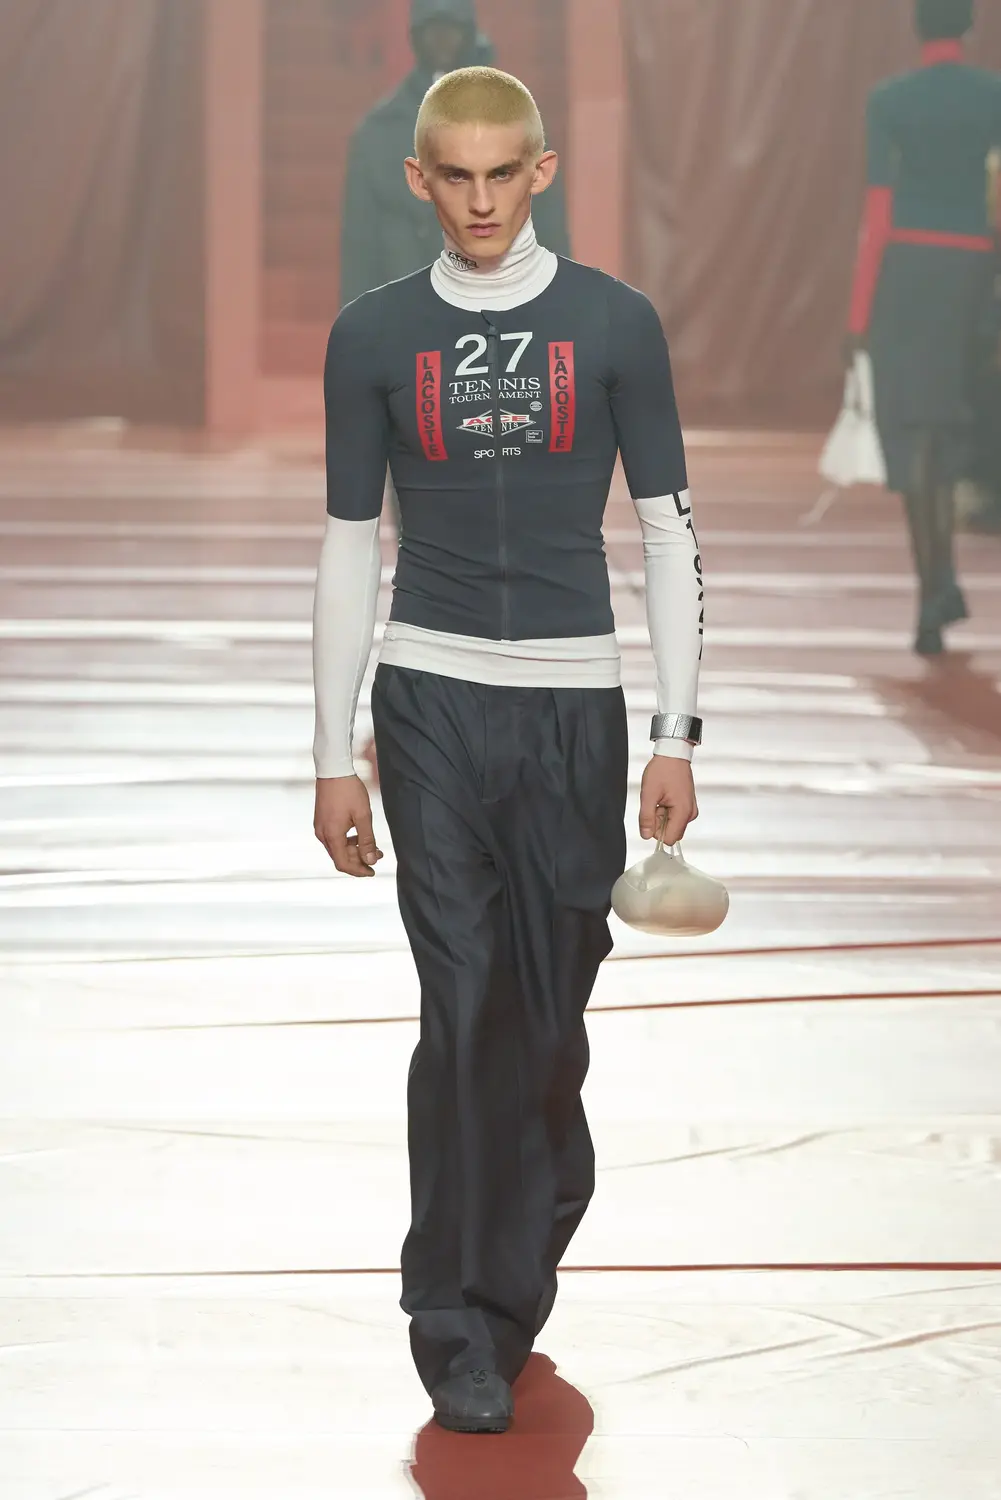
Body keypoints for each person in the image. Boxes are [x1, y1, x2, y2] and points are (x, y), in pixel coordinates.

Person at [312, 67, 703, 1433]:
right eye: (454, 177)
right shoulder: (371, 336)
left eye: (501, 174)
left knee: (544, 1022)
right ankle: (454, 1316)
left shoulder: (614, 324)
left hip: (571, 709)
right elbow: (349, 544)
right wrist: (331, 750)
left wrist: (673, 732)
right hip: (428, 697)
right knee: (463, 1000)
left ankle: (520, 1236)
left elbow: (666, 528)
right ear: (418, 180)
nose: (479, 202)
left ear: (539, 172)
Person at [846, 0, 1001, 655]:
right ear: (968, 26)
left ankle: (932, 591)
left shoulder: (890, 100)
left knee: (914, 435)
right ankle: (942, 584)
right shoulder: (992, 96)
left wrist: (858, 315)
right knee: (949, 429)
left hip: (906, 274)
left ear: (916, 27)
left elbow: (878, 211)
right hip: (972, 272)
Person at [340, 0, 571, 308]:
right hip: (411, 312)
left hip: (499, 305)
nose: (442, 41)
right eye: (432, 31)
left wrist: (560, 309)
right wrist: (358, 325)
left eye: (451, 30)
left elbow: (548, 228)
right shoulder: (380, 133)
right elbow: (360, 248)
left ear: (469, 32)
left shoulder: (516, 120)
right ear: (415, 36)